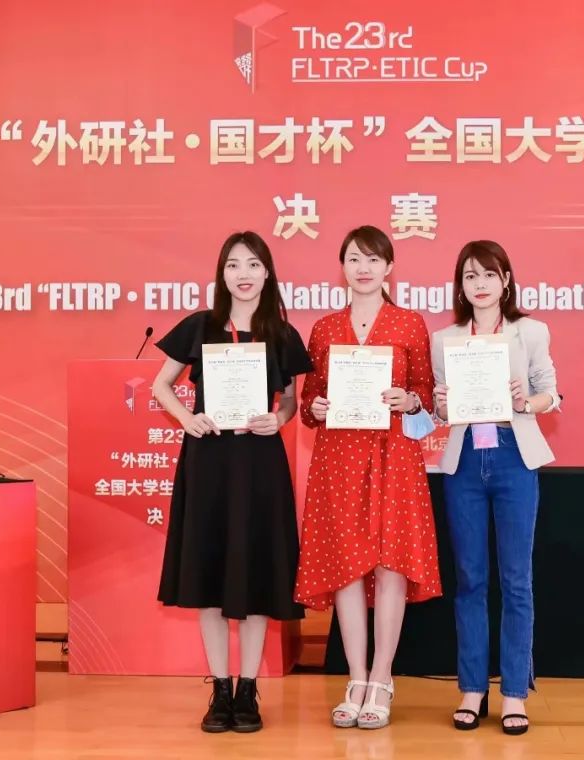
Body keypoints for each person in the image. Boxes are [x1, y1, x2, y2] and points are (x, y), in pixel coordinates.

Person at [152, 232, 312, 734]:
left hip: (260, 463)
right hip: (209, 462)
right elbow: (161, 385)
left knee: (258, 571)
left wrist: (277, 418)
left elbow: (291, 400)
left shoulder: (281, 333)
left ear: (267, 273)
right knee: (210, 574)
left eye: (253, 264)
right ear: (222, 274)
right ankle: (219, 689)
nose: (244, 274)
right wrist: (187, 419)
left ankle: (248, 690)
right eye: (234, 265)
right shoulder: (200, 326)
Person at [295, 225, 441, 730]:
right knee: (347, 565)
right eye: (354, 259)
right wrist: (315, 407)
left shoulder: (409, 323)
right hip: (338, 456)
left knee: (392, 562)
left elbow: (426, 393)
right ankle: (355, 678)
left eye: (373, 259)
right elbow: (310, 402)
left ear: (389, 267)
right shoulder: (325, 328)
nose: (363, 268)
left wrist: (411, 400)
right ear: (343, 267)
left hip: (394, 452)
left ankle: (382, 678)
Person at [431, 240, 560, 735]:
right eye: (470, 276)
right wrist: (442, 404)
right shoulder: (445, 339)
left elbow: (551, 393)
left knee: (517, 580)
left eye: (489, 274)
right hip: (464, 459)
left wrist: (527, 400)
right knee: (469, 579)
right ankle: (472, 688)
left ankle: (514, 693)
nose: (480, 284)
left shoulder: (531, 331)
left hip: (513, 456)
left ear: (505, 280)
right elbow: (439, 412)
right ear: (460, 286)